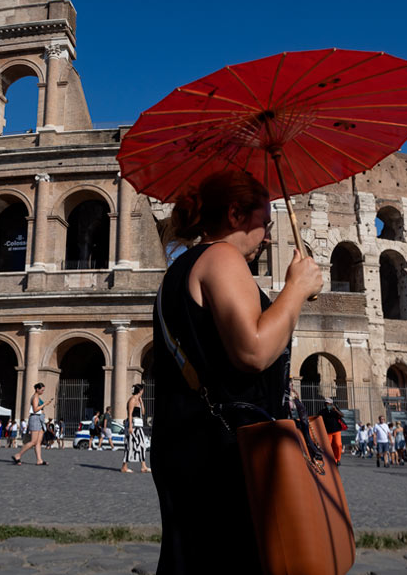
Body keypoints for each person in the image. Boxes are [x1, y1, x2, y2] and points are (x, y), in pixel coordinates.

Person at [150, 169, 323, 574]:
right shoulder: (221, 257)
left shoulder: (179, 271)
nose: (267, 236)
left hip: (189, 444)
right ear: (234, 214)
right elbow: (253, 350)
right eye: (263, 222)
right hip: (227, 453)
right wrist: (294, 290)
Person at [12, 383, 48, 466]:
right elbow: (35, 409)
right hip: (35, 418)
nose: (43, 391)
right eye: (42, 390)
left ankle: (39, 460)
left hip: (40, 419)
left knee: (38, 442)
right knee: (33, 441)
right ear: (37, 389)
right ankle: (18, 455)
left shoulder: (38, 397)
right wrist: (44, 404)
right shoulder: (35, 397)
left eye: (43, 390)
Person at [121, 384, 150, 473]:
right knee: (130, 446)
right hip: (133, 426)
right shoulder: (132, 400)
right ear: (140, 390)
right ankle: (124, 467)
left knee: (141, 445)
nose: (143, 391)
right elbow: (130, 414)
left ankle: (143, 466)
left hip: (138, 426)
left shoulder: (138, 400)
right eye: (143, 390)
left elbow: (143, 413)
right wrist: (130, 426)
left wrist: (141, 403)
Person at [319, 398, 346, 464]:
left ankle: (338, 459)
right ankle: (332, 459)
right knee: (329, 446)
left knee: (338, 444)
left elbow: (342, 415)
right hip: (328, 432)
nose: (328, 405)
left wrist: (336, 410)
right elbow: (318, 418)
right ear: (325, 404)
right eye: (327, 404)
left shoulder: (335, 411)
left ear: (332, 404)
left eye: (329, 404)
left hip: (336, 431)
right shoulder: (322, 412)